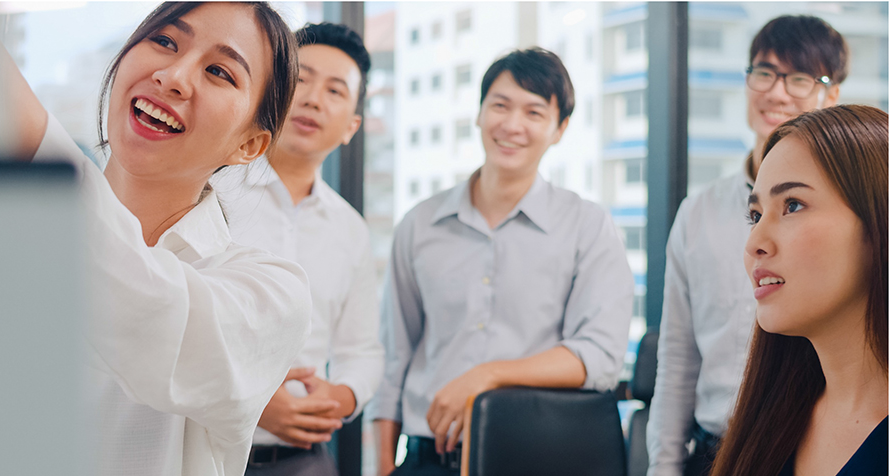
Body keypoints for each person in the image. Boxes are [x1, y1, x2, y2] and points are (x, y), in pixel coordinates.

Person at [5, 3, 312, 475]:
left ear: (248, 145)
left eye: (219, 71)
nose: (173, 76)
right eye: (165, 41)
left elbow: (155, 319)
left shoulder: (270, 292)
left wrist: (34, 144)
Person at [369, 47, 634, 476]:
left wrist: (487, 376)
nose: (512, 125)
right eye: (500, 105)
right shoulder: (420, 224)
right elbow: (393, 357)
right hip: (426, 460)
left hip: (534, 455)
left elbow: (600, 357)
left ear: (559, 129)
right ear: (478, 114)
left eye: (534, 112)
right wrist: (381, 465)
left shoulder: (587, 225)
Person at [646, 15, 847, 476]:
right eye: (763, 73)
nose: (776, 93)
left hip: (807, 451)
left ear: (831, 95)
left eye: (798, 79)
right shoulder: (697, 212)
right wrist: (663, 467)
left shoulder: (846, 212)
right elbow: (677, 361)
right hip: (712, 451)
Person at [212, 22, 384, 475]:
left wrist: (341, 398)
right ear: (273, 91)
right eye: (302, 79)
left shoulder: (350, 229)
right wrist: (252, 401)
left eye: (335, 90)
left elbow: (362, 351)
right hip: (202, 449)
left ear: (351, 126)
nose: (312, 99)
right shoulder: (210, 191)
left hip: (304, 461)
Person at [711, 104, 887, 475]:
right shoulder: (769, 422)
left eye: (792, 205)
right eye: (755, 216)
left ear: (879, 224)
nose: (754, 241)